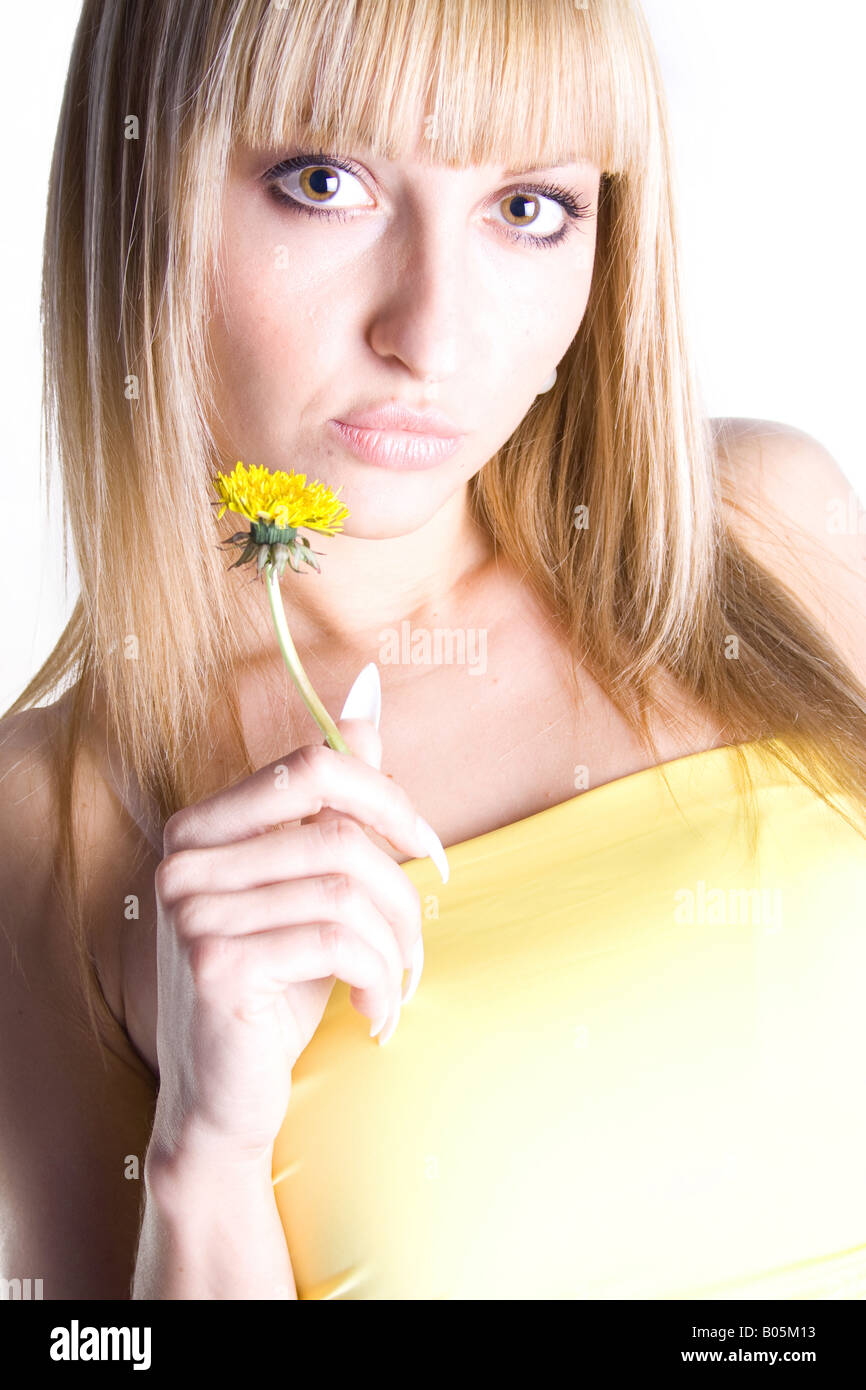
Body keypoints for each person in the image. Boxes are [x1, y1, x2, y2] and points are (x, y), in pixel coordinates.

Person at [2, 0, 865, 1301]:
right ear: (142, 187)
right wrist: (206, 1162)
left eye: (526, 206)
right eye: (324, 180)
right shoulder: (48, 821)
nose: (434, 336)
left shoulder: (762, 536)